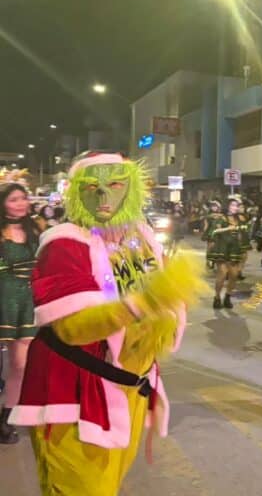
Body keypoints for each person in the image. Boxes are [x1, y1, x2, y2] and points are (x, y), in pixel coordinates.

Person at [10, 151, 207, 495]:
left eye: (115, 184)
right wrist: (145, 303)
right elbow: (72, 328)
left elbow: (162, 296)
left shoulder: (141, 236)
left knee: (108, 483)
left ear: (132, 188)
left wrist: (173, 298)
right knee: (80, 486)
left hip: (130, 384)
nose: (103, 195)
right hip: (77, 389)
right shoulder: (65, 243)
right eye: (91, 186)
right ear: (76, 192)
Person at [0, 183, 44, 444]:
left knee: (20, 365)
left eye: (23, 198)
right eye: (14, 199)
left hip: (28, 301)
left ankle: (7, 419)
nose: (20, 203)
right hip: (3, 297)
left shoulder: (36, 229)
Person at [204, 196, 247, 309]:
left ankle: (228, 296)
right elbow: (213, 232)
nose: (235, 207)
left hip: (235, 249)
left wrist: (242, 247)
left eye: (236, 206)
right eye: (233, 205)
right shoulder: (221, 218)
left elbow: (242, 233)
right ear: (227, 206)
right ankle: (217, 297)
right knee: (222, 274)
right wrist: (227, 229)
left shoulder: (240, 218)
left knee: (234, 275)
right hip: (222, 248)